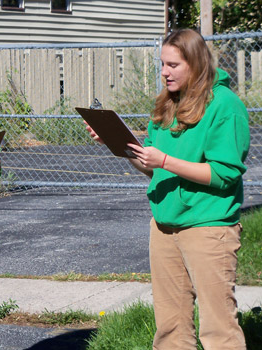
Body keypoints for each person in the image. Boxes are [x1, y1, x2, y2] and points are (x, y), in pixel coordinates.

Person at [86, 28, 250, 350]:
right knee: (170, 329)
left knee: (219, 330)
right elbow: (151, 166)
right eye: (162, 64)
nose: (164, 72)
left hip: (208, 227)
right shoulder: (167, 104)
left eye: (173, 65)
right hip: (164, 227)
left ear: (196, 64)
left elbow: (223, 174)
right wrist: (119, 144)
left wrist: (164, 160)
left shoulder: (225, 106)